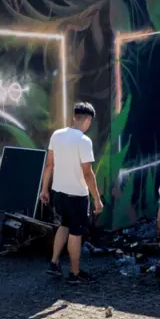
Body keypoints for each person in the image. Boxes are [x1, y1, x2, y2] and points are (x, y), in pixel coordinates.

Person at [40, 102, 104, 284]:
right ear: (88, 120)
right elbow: (88, 173)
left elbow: (49, 165)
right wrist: (97, 199)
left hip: (58, 191)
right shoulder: (84, 141)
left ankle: (54, 262)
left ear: (74, 117)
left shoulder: (57, 135)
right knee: (76, 233)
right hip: (77, 194)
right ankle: (75, 273)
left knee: (64, 226)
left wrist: (44, 189)